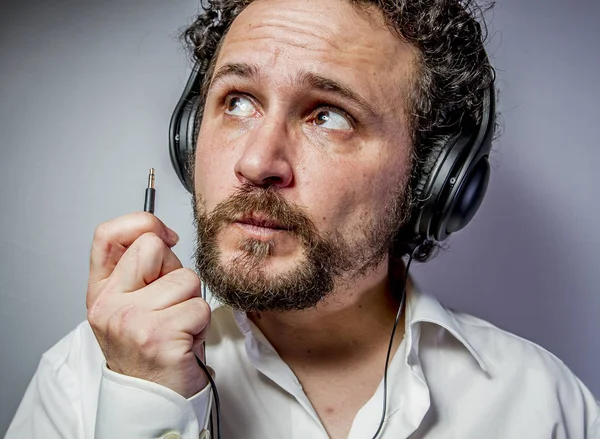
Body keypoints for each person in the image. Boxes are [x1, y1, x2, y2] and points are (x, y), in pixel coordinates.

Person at [6, 0, 600, 437]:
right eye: (237, 101)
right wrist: (142, 404)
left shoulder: (543, 405)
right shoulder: (84, 380)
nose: (256, 162)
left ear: (431, 180)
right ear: (190, 133)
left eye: (328, 115)